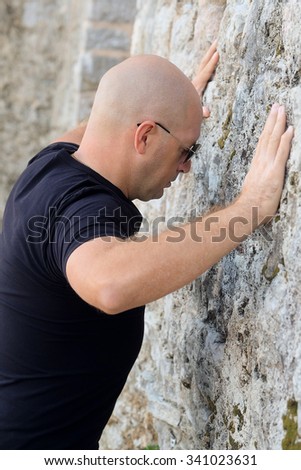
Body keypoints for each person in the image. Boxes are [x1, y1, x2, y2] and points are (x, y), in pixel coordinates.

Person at [0, 42, 294, 449]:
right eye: (187, 150)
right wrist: (250, 207)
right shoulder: (81, 213)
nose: (187, 165)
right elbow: (110, 284)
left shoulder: (50, 164)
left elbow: (111, 116)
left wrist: (177, 110)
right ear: (144, 136)